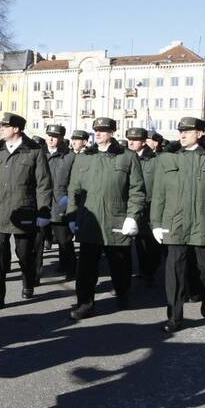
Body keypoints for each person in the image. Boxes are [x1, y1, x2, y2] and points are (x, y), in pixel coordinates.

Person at [150, 117, 205, 333]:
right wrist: (156, 223)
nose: (183, 135)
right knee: (175, 271)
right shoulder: (167, 159)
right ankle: (175, 317)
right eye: (180, 131)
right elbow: (158, 193)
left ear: (199, 133)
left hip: (204, 221)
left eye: (188, 131)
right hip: (175, 222)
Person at [65, 118, 146, 320]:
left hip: (116, 220)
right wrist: (72, 216)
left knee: (120, 264)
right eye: (96, 130)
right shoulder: (84, 158)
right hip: (89, 222)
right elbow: (74, 189)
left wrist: (132, 216)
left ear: (112, 132)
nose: (98, 133)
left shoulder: (127, 157)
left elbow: (137, 190)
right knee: (85, 268)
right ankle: (85, 303)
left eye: (103, 130)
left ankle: (122, 293)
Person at [0, 112, 52, 309]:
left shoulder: (34, 151)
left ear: (16, 129)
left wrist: (43, 212)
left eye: (4, 126)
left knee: (24, 254)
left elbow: (43, 184)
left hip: (25, 211)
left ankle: (29, 281)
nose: (1, 129)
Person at [36, 124, 76, 282]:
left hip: (61, 204)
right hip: (41, 205)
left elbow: (75, 183)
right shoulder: (39, 154)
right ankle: (34, 275)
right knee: (37, 242)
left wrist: (69, 202)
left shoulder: (70, 156)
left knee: (64, 241)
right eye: (48, 135)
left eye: (55, 136)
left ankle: (70, 269)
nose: (51, 139)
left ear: (61, 138)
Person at [126, 127, 160, 287]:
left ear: (144, 141)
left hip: (150, 206)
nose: (131, 142)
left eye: (135, 139)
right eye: (129, 139)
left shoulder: (154, 160)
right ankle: (142, 269)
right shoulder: (126, 158)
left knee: (149, 242)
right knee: (138, 241)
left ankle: (150, 271)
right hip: (131, 205)